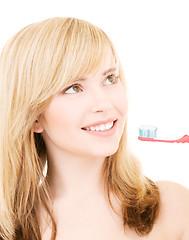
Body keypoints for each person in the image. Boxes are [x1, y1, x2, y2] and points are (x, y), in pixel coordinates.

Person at [0, 17, 188, 240]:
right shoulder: (10, 231)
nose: (104, 104)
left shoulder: (174, 208)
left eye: (110, 78)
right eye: (74, 88)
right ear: (34, 118)